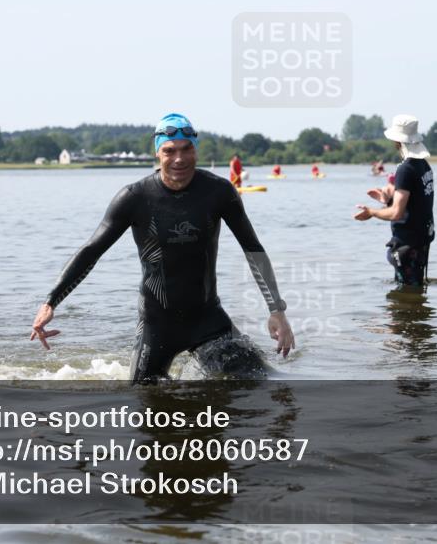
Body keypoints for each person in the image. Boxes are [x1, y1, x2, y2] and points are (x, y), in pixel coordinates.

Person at [30, 113, 295, 384]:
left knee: (265, 384)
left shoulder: (219, 192)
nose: (179, 159)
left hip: (208, 320)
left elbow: (252, 249)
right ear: (158, 153)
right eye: (169, 151)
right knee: (142, 395)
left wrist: (277, 311)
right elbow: (91, 250)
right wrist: (51, 302)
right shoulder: (134, 197)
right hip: (157, 325)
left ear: (195, 150)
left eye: (186, 149)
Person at [354, 115, 435, 287]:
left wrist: (372, 212)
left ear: (397, 141)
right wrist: (387, 200)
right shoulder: (424, 165)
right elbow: (414, 203)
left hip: (408, 244)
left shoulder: (406, 169)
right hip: (421, 239)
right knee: (416, 289)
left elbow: (397, 213)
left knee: (407, 292)